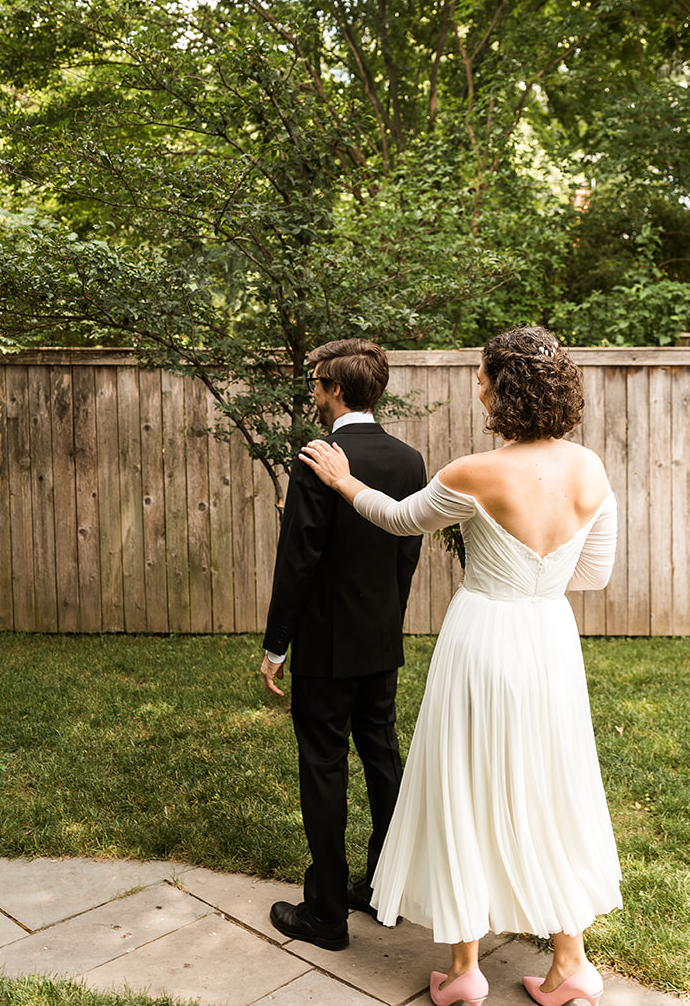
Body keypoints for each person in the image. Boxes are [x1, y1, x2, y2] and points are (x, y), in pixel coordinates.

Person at [297, 325, 621, 1006]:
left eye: (482, 376)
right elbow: (593, 573)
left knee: (464, 786)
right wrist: (541, 575)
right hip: (550, 641)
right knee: (549, 787)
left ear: (503, 389)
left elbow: (397, 517)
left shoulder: (475, 472)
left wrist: (344, 479)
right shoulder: (590, 470)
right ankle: (571, 962)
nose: (476, 384)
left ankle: (466, 966)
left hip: (482, 640)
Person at [260, 338, 428, 952]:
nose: (311, 391)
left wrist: (277, 645)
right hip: (382, 637)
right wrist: (388, 616)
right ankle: (386, 888)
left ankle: (326, 913)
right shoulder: (410, 460)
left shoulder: (319, 457)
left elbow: (297, 562)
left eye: (316, 383)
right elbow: (405, 551)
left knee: (324, 766)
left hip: (327, 645)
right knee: (382, 756)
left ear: (334, 390)